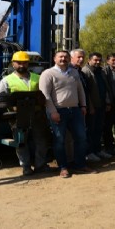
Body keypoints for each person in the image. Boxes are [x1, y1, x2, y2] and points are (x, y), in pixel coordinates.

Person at [39, 50, 97, 178]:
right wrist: (53, 111)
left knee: (81, 138)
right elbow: (45, 95)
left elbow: (80, 90)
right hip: (58, 111)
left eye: (65, 57)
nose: (63, 59)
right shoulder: (48, 74)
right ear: (54, 59)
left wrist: (83, 105)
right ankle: (63, 167)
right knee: (59, 140)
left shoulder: (74, 72)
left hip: (75, 111)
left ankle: (80, 165)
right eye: (60, 57)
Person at [0, 51, 52, 176]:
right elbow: (1, 99)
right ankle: (26, 167)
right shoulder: (6, 80)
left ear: (28, 64)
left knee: (42, 141)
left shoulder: (37, 78)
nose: (22, 65)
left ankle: (40, 165)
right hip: (18, 117)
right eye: (19, 63)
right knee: (21, 143)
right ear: (13, 64)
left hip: (37, 115)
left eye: (25, 63)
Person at [81, 52, 112, 161]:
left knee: (99, 129)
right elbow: (86, 92)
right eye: (95, 60)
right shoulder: (85, 71)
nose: (98, 62)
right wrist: (90, 106)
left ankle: (98, 150)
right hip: (92, 107)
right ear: (89, 60)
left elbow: (105, 88)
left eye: (99, 60)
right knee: (90, 130)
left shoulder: (101, 71)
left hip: (102, 106)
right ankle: (89, 152)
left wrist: (108, 102)